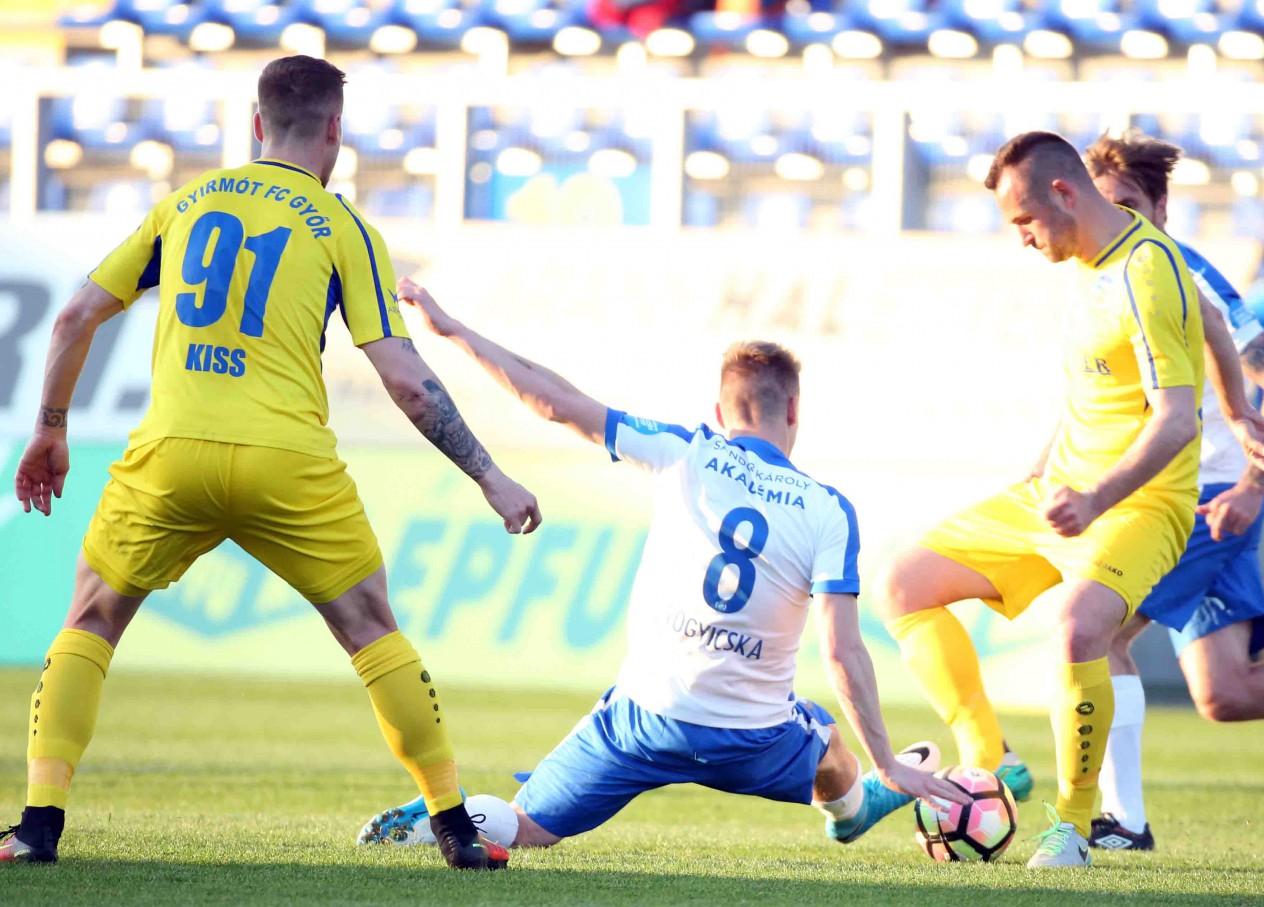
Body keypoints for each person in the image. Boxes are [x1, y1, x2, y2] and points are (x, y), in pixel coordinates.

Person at [1, 56, 539, 870]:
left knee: (91, 618)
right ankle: (455, 830)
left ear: (257, 123)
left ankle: (37, 827)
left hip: (173, 454)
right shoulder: (342, 226)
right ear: (335, 131)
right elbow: (407, 380)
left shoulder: (186, 203)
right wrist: (490, 475)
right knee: (371, 627)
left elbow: (75, 315)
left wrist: (50, 427)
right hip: (287, 462)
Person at [358, 278, 968, 851]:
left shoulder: (685, 451)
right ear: (793, 413)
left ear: (720, 413)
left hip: (645, 722)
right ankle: (853, 811)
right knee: (828, 740)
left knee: (525, 827)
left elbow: (556, 403)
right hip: (752, 739)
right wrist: (886, 761)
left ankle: (446, 816)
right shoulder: (829, 510)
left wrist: (454, 331)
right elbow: (841, 651)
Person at [875, 130, 1264, 868]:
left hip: (1145, 502)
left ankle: (1076, 825)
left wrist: (1102, 496)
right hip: (1064, 489)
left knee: (1083, 631)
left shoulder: (1147, 267)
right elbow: (1210, 322)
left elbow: (1174, 420)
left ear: (1064, 194)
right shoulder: (1092, 261)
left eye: (1024, 221)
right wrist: (1237, 407)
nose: (1022, 239)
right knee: (904, 585)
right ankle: (989, 759)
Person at [1081, 130, 1264, 851]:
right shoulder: (1106, 276)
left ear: (1162, 208)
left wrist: (1254, 484)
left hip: (1207, 494)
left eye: (1129, 205)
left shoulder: (1182, 272)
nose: (1116, 219)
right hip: (1197, 496)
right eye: (1104, 206)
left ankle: (1124, 821)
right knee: (1228, 693)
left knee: (1095, 631)